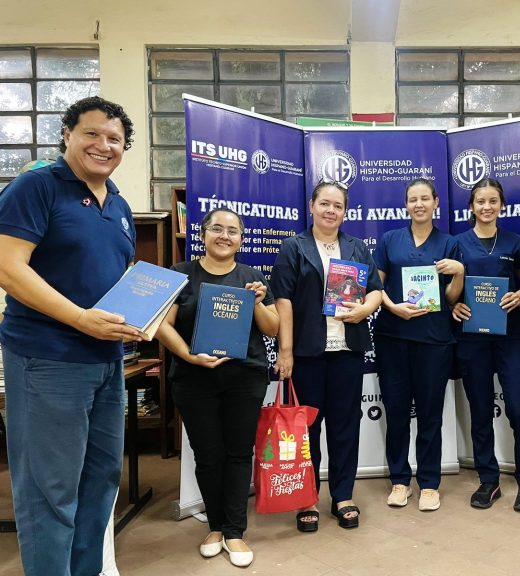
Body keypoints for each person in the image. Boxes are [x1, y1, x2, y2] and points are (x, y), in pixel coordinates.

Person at [0, 96, 141, 576]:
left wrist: (144, 312)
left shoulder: (119, 205)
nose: (103, 145)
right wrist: (81, 319)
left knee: (101, 481)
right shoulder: (36, 187)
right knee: (50, 490)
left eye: (115, 139)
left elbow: (116, 279)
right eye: (92, 134)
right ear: (68, 134)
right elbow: (7, 267)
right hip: (47, 360)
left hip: (107, 361)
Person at [156, 208, 278, 568]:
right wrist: (188, 356)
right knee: (208, 455)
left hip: (245, 377)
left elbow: (272, 328)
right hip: (194, 379)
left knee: (239, 453)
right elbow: (163, 324)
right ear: (203, 234)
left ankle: (235, 531)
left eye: (233, 231)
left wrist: (256, 301)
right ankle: (215, 525)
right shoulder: (180, 274)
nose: (225, 236)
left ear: (241, 239)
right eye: (217, 229)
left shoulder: (252, 277)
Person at [271, 179, 382, 532]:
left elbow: (377, 291)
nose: (331, 211)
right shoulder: (294, 247)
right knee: (307, 431)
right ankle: (306, 498)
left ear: (345, 212)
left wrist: (364, 310)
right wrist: (285, 351)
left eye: (338, 206)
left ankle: (343, 495)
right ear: (312, 205)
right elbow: (283, 300)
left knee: (345, 426)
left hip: (347, 350)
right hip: (307, 353)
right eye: (325, 204)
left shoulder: (356, 246)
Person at [374, 177, 464, 512]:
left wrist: (458, 273)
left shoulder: (449, 243)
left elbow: (453, 298)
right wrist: (391, 306)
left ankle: (428, 482)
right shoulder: (389, 240)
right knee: (397, 411)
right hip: (393, 338)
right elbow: (374, 285)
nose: (419, 204)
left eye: (425, 198)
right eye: (413, 199)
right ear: (406, 204)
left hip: (434, 340)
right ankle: (400, 480)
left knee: (430, 414)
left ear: (436, 202)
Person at [450, 179, 520, 511]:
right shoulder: (457, 244)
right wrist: (452, 306)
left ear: (501, 205)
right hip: (472, 338)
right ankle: (489, 479)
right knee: (481, 409)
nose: (487, 207)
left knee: (518, 407)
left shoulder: (514, 242)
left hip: (512, 336)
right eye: (480, 201)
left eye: (493, 201)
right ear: (471, 207)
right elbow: (449, 290)